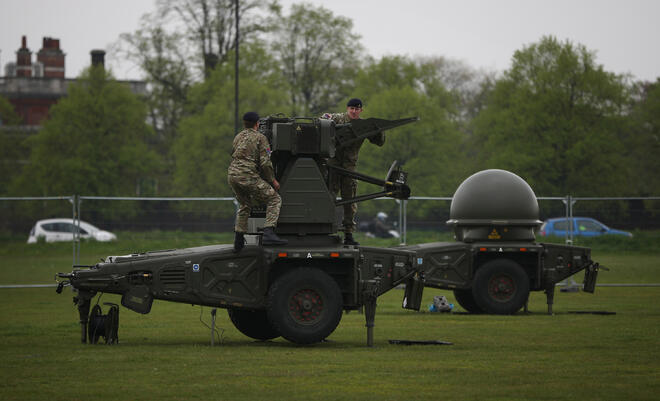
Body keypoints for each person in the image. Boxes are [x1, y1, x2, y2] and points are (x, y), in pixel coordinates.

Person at [322, 98, 385, 245]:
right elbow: (322, 120)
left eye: (357, 109)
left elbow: (379, 142)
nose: (354, 111)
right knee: (328, 198)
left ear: (361, 110)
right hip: (332, 166)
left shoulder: (363, 126)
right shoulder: (338, 118)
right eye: (352, 109)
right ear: (347, 109)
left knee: (349, 202)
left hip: (349, 168)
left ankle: (348, 234)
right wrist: (327, 122)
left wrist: (378, 130)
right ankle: (325, 229)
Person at [228, 111, 287, 252]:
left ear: (244, 123)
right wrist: (273, 180)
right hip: (247, 175)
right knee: (274, 199)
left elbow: (233, 153)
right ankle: (269, 233)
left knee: (244, 204)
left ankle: (238, 240)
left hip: (232, 175)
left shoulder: (238, 136)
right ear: (257, 124)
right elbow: (266, 162)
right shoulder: (260, 138)